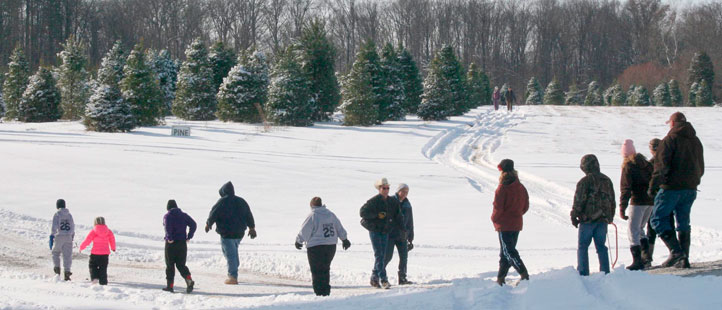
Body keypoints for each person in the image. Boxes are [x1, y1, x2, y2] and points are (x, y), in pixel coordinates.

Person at [648, 112, 704, 268]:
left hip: (671, 188)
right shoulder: (696, 141)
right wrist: (694, 180)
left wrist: (653, 186)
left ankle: (676, 252)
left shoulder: (669, 140)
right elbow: (701, 165)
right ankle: (683, 258)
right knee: (683, 222)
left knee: (657, 219)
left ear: (672, 123)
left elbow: (661, 166)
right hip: (691, 188)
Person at [295, 197, 351, 296]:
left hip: (316, 247)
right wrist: (345, 239)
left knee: (316, 270)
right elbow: (339, 227)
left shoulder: (313, 215)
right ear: (321, 204)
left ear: (311, 205)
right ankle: (326, 290)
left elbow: (305, 230)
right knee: (325, 268)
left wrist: (299, 241)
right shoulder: (330, 214)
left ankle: (319, 292)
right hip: (331, 246)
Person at [570, 154, 615, 276]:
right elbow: (612, 200)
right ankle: (605, 272)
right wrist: (610, 216)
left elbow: (579, 200)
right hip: (603, 219)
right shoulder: (607, 180)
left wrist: (574, 215)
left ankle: (583, 272)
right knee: (601, 246)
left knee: (583, 246)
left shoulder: (584, 182)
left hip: (587, 220)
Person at [205, 181, 257, 284]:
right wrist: (252, 228)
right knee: (232, 251)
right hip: (239, 233)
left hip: (227, 232)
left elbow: (214, 213)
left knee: (229, 254)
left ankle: (233, 277)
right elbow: (248, 215)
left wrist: (208, 223)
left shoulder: (222, 201)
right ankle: (234, 266)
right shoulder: (241, 201)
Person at [360, 177, 405, 289]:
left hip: (385, 232)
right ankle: (383, 280)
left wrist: (403, 230)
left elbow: (398, 217)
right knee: (379, 255)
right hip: (375, 231)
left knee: (382, 256)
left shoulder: (392, 201)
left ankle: (374, 278)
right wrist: (376, 215)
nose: (386, 190)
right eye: (384, 188)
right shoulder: (373, 201)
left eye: (387, 188)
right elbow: (362, 212)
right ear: (379, 189)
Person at [491, 159, 530, 285]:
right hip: (516, 223)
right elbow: (525, 205)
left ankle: (524, 274)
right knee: (505, 252)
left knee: (509, 252)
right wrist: (517, 214)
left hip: (504, 225)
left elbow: (498, 208)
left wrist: (494, 219)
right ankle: (500, 279)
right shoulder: (520, 187)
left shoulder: (502, 188)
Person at [618, 139, 654, 270]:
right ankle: (646, 258)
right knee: (640, 229)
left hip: (637, 202)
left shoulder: (628, 167)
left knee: (633, 230)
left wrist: (622, 207)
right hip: (650, 202)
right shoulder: (647, 164)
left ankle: (637, 261)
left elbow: (625, 188)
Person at [644, 138, 675, 267]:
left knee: (651, 229)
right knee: (670, 224)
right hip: (669, 196)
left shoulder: (649, 165)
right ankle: (676, 253)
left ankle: (647, 258)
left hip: (655, 199)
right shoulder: (669, 161)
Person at [162, 200, 197, 293]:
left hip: (171, 244)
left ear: (168, 208)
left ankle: (170, 286)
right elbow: (193, 225)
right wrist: (189, 236)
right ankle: (189, 279)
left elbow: (167, 227)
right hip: (182, 243)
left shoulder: (167, 216)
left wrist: (169, 238)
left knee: (170, 265)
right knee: (181, 264)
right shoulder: (184, 215)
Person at [383, 183, 415, 285]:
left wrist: (410, 237)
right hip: (391, 234)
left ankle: (402, 277)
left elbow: (410, 221)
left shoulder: (407, 204)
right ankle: (379, 273)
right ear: (398, 191)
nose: (405, 194)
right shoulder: (391, 201)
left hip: (403, 235)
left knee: (404, 257)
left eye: (407, 192)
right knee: (387, 256)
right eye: (403, 191)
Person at [79, 216, 116, 285]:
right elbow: (112, 240)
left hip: (95, 253)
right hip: (105, 254)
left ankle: (95, 278)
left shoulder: (94, 231)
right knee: (103, 268)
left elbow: (87, 240)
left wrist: (81, 247)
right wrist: (113, 248)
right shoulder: (108, 231)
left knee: (92, 266)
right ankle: (103, 282)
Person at [50, 199, 75, 281]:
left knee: (55, 252)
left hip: (59, 236)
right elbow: (72, 226)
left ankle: (57, 270)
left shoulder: (57, 214)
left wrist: (52, 235)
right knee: (67, 255)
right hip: (68, 236)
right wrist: (71, 236)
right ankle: (67, 272)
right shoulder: (69, 215)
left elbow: (54, 226)